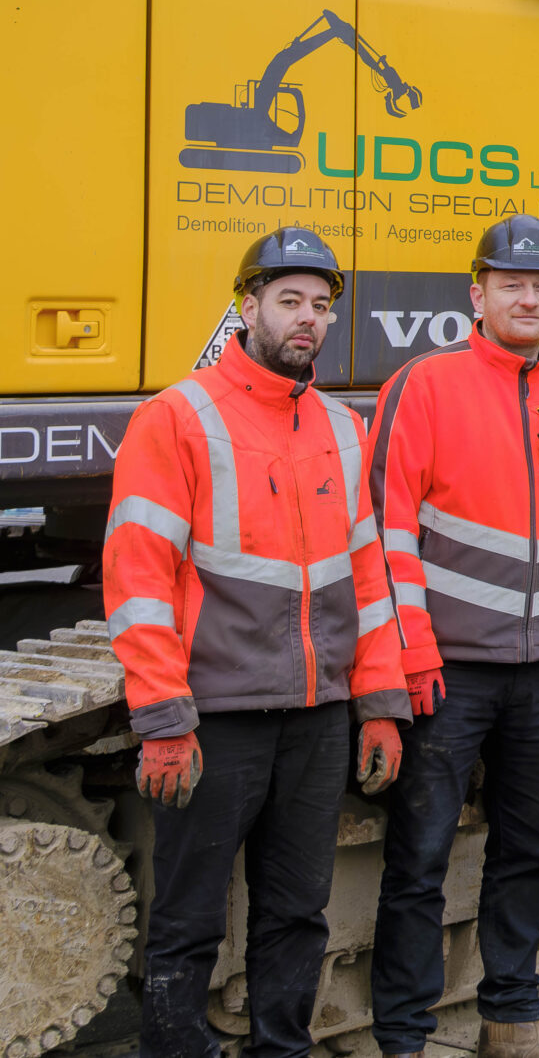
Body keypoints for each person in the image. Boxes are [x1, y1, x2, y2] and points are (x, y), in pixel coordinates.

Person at [105, 228, 407, 1058]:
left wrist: (380, 704)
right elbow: (139, 578)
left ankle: (284, 1047)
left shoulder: (344, 428)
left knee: (296, 911)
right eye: (289, 301)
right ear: (247, 306)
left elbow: (369, 581)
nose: (307, 319)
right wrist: (163, 717)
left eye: (320, 305)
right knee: (190, 915)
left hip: (317, 715)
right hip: (218, 716)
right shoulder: (178, 416)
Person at [368, 215, 539, 1058]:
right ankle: (404, 1037)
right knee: (417, 857)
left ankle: (511, 1018)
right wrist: (410, 649)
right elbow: (387, 533)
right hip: (445, 670)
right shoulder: (425, 385)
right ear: (476, 294)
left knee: (529, 848)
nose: (529, 297)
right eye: (511, 283)